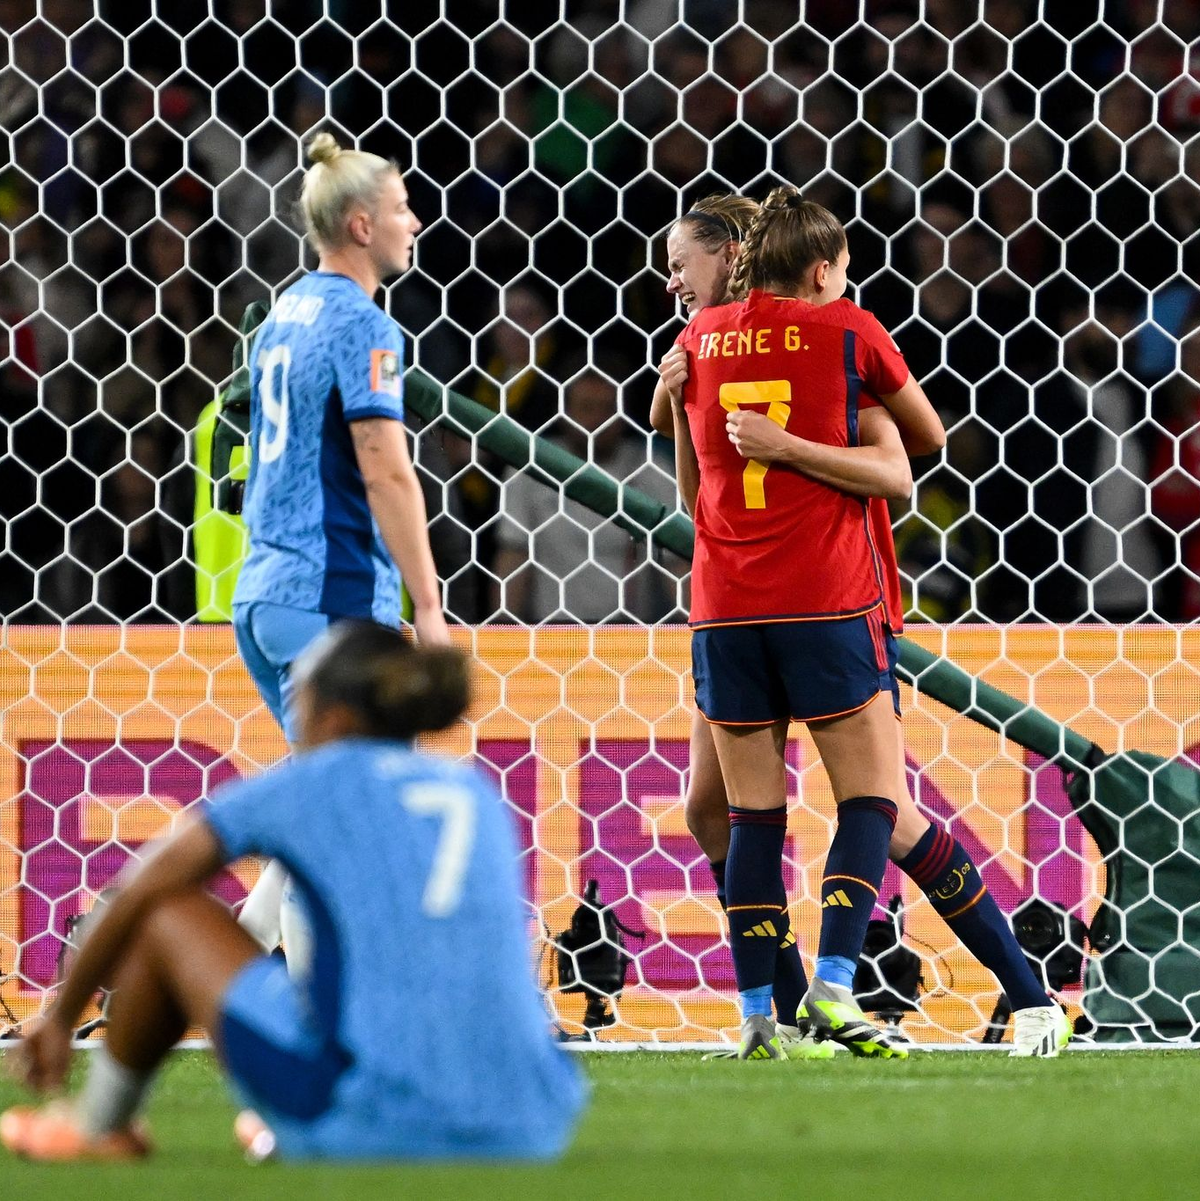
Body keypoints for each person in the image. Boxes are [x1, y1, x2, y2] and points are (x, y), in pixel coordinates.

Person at [661, 188, 1068, 1058]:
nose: (672, 286)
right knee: (805, 807)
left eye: (679, 266)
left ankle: (786, 1014)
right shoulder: (829, 336)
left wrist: (743, 432)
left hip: (744, 607)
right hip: (807, 601)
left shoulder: (711, 344)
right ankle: (817, 1002)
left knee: (834, 814)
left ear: (733, 258)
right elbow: (916, 453)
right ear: (823, 266)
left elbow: (887, 473)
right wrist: (676, 411)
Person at [1, 621, 585, 1163]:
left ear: (331, 716)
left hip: (377, 1120)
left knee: (168, 915)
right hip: (531, 1124)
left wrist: (59, 1018)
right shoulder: (471, 790)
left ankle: (98, 1126)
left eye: (297, 694)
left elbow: (138, 889)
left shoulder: (308, 782)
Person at [230, 132, 450, 960]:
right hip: (332, 596)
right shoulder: (365, 325)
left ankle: (216, 983)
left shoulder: (283, 313)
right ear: (361, 224)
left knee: (329, 802)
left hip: (263, 596)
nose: (415, 221)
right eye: (401, 209)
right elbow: (385, 469)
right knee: (353, 816)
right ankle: (309, 1027)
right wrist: (426, 605)